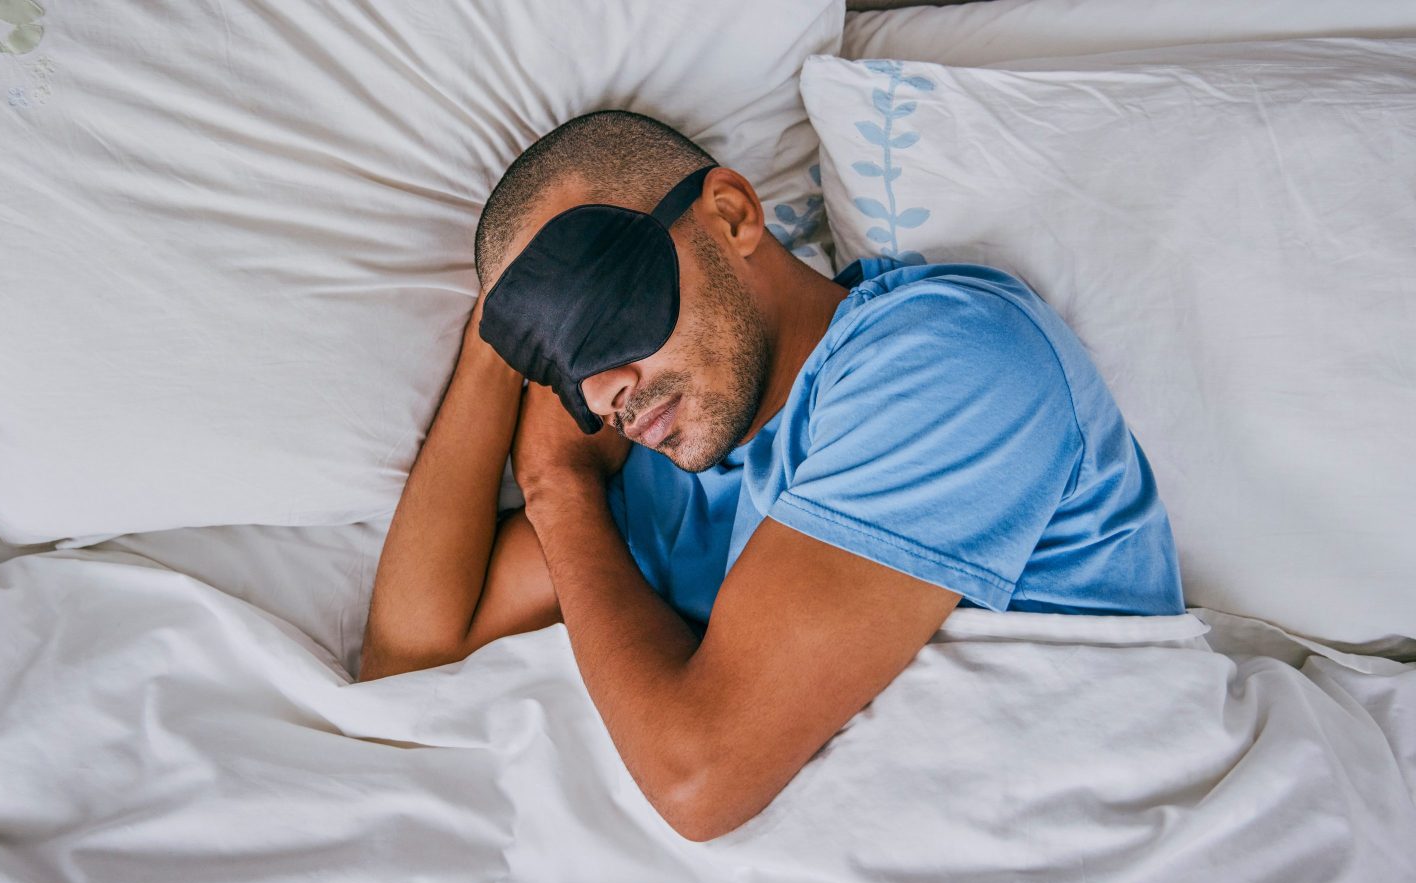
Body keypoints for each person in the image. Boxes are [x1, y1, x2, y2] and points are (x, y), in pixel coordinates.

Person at [357, 110, 1184, 841]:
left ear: (732, 215)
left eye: (595, 309)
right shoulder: (660, 486)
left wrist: (557, 483)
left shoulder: (947, 357)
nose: (601, 393)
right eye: (557, 364)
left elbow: (699, 780)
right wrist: (497, 354)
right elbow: (409, 658)